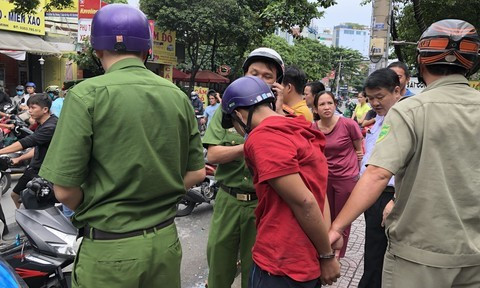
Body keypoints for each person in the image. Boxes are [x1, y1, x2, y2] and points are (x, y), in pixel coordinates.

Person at [38, 4, 205, 288]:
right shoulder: (178, 97)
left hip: (109, 250)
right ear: (147, 50)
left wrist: (102, 206)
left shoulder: (85, 96)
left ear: (97, 50)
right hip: (165, 244)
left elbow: (64, 190)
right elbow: (197, 173)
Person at [329, 19, 480, 288]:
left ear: (421, 64)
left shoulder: (410, 110)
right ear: (471, 63)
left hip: (419, 256)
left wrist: (336, 227)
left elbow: (376, 175)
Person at [221, 76, 341, 287]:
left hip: (281, 261)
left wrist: (327, 255)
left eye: (233, 123)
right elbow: (319, 191)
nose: (238, 131)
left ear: (239, 114)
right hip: (306, 257)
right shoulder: (300, 128)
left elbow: (304, 202)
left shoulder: (263, 137)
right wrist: (326, 240)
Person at [203, 47, 284, 288]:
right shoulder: (226, 111)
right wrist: (249, 146)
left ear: (277, 83)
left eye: (267, 76)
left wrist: (276, 115)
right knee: (219, 265)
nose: (259, 80)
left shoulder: (286, 118)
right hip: (228, 200)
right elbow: (214, 154)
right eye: (253, 73)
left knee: (255, 271)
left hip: (263, 204)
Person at [311, 91, 363, 259]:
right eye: (322, 104)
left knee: (342, 219)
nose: (326, 107)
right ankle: (325, 249)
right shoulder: (312, 128)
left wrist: (357, 170)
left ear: (335, 105)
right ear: (316, 109)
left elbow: (358, 149)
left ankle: (337, 255)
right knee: (325, 217)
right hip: (323, 178)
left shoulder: (348, 124)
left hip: (346, 178)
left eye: (330, 103)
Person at [0, 94, 58, 209]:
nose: (29, 111)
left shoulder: (51, 126)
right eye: (29, 107)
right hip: (34, 168)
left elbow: (28, 142)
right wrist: (19, 158)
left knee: (40, 203)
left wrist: (1, 151)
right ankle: (26, 221)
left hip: (44, 171)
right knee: (15, 195)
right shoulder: (43, 124)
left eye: (33, 107)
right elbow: (38, 147)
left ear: (45, 109)